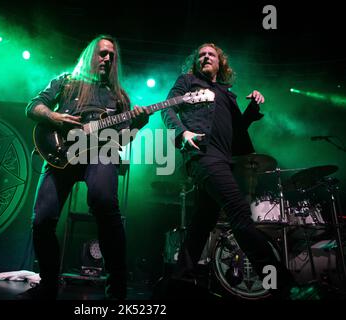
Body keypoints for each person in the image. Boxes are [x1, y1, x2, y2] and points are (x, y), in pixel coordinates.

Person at [161, 43, 304, 299]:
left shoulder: (227, 94)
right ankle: (285, 286)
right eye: (201, 54)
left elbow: (237, 132)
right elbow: (167, 107)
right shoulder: (187, 81)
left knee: (201, 225)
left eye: (211, 54)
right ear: (196, 62)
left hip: (224, 160)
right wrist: (182, 133)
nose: (205, 57)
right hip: (203, 156)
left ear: (220, 63)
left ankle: (178, 280)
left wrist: (253, 108)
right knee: (240, 217)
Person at [22, 35, 148, 300]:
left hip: (101, 151)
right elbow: (33, 107)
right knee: (42, 219)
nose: (107, 58)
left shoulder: (119, 96)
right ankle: (48, 285)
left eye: (111, 56)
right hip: (60, 152)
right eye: (102, 53)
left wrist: (138, 124)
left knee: (104, 202)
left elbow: (122, 138)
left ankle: (117, 290)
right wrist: (55, 117)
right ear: (91, 55)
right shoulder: (67, 80)